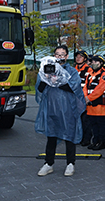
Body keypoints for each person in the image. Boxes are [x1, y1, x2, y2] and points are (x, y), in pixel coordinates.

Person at [36, 45, 86, 178]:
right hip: (52, 109)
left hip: (68, 109)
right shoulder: (46, 69)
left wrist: (58, 81)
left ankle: (70, 163)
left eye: (62, 54)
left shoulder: (72, 71)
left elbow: (75, 89)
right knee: (51, 136)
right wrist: (46, 78)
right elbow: (39, 89)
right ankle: (48, 163)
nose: (59, 57)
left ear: (67, 56)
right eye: (57, 54)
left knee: (70, 136)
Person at [83, 55, 105, 150]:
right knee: (93, 126)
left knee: (101, 125)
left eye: (96, 62)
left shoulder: (103, 74)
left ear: (101, 63)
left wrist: (89, 98)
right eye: (93, 62)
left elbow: (101, 89)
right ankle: (95, 141)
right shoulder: (89, 74)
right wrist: (85, 97)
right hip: (90, 105)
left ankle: (101, 142)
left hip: (100, 105)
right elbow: (85, 86)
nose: (94, 63)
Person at [74, 50, 92, 146]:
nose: (78, 58)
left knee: (85, 120)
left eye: (80, 56)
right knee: (75, 119)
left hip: (83, 97)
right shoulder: (73, 69)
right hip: (73, 98)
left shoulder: (89, 70)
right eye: (77, 56)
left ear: (85, 59)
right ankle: (77, 137)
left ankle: (86, 138)